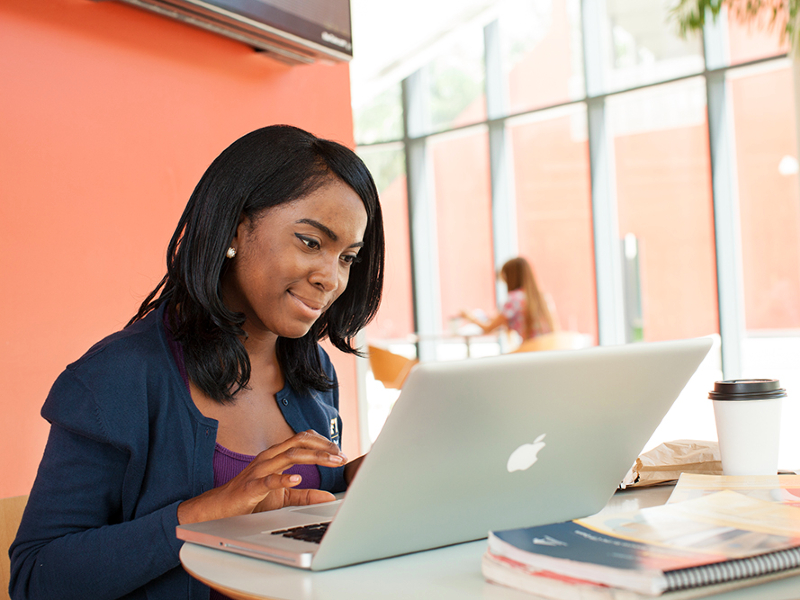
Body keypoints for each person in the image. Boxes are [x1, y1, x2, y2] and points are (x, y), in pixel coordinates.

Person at [9, 125, 385, 600]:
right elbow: (35, 579)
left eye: (348, 257)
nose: (331, 278)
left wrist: (363, 479)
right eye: (311, 242)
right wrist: (207, 512)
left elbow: (304, 510)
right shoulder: (116, 378)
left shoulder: (312, 371)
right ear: (233, 227)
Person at [460, 257, 555, 344]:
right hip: (547, 349)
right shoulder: (542, 297)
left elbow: (488, 328)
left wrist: (469, 316)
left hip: (531, 350)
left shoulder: (514, 299)